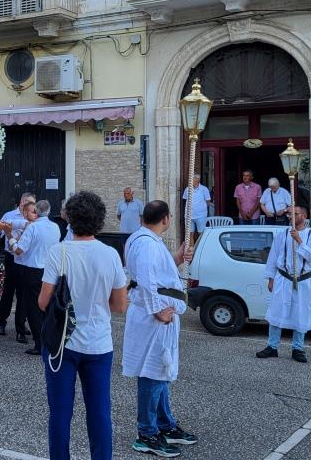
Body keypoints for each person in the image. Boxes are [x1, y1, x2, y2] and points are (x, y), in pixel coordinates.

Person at [40, 192, 128, 460]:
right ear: (100, 220)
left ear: (69, 219)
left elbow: (43, 302)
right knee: (99, 411)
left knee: (60, 412)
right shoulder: (110, 254)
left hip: (63, 343)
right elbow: (120, 305)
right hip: (98, 342)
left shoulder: (59, 252)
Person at [122, 200, 198, 458]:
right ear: (165, 219)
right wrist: (157, 310)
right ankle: (146, 433)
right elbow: (146, 279)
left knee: (161, 372)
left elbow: (158, 272)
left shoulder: (147, 240)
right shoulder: (145, 243)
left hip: (158, 314)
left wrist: (178, 257)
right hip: (153, 318)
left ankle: (165, 425)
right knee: (152, 373)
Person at [257, 206, 311, 363]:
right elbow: (273, 256)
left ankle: (298, 349)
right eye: (289, 214)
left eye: (295, 214)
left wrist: (299, 241)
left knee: (301, 313)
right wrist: (271, 278)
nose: (291, 216)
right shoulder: (282, 234)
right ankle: (272, 347)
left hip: (304, 280)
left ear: (303, 216)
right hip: (283, 279)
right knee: (277, 311)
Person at [5, 199, 61, 356]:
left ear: (36, 211)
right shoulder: (55, 227)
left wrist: (9, 236)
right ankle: (49, 339)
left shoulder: (33, 227)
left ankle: (39, 343)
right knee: (47, 306)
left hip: (33, 270)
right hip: (49, 270)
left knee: (34, 308)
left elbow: (19, 250)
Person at [0, 193, 35, 341]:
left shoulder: (34, 219)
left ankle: (21, 325)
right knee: (8, 291)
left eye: (33, 204)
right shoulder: (9, 215)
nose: (33, 207)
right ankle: (1, 322)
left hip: (26, 259)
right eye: (29, 203)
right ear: (22, 202)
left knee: (23, 293)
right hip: (12, 257)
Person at [181, 174, 211, 242]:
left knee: (201, 234)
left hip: (201, 215)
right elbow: (185, 200)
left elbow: (208, 202)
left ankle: (200, 248)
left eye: (192, 179)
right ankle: (191, 248)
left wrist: (201, 208)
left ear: (197, 180)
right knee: (189, 234)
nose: (190, 181)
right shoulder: (187, 189)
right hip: (189, 216)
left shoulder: (204, 189)